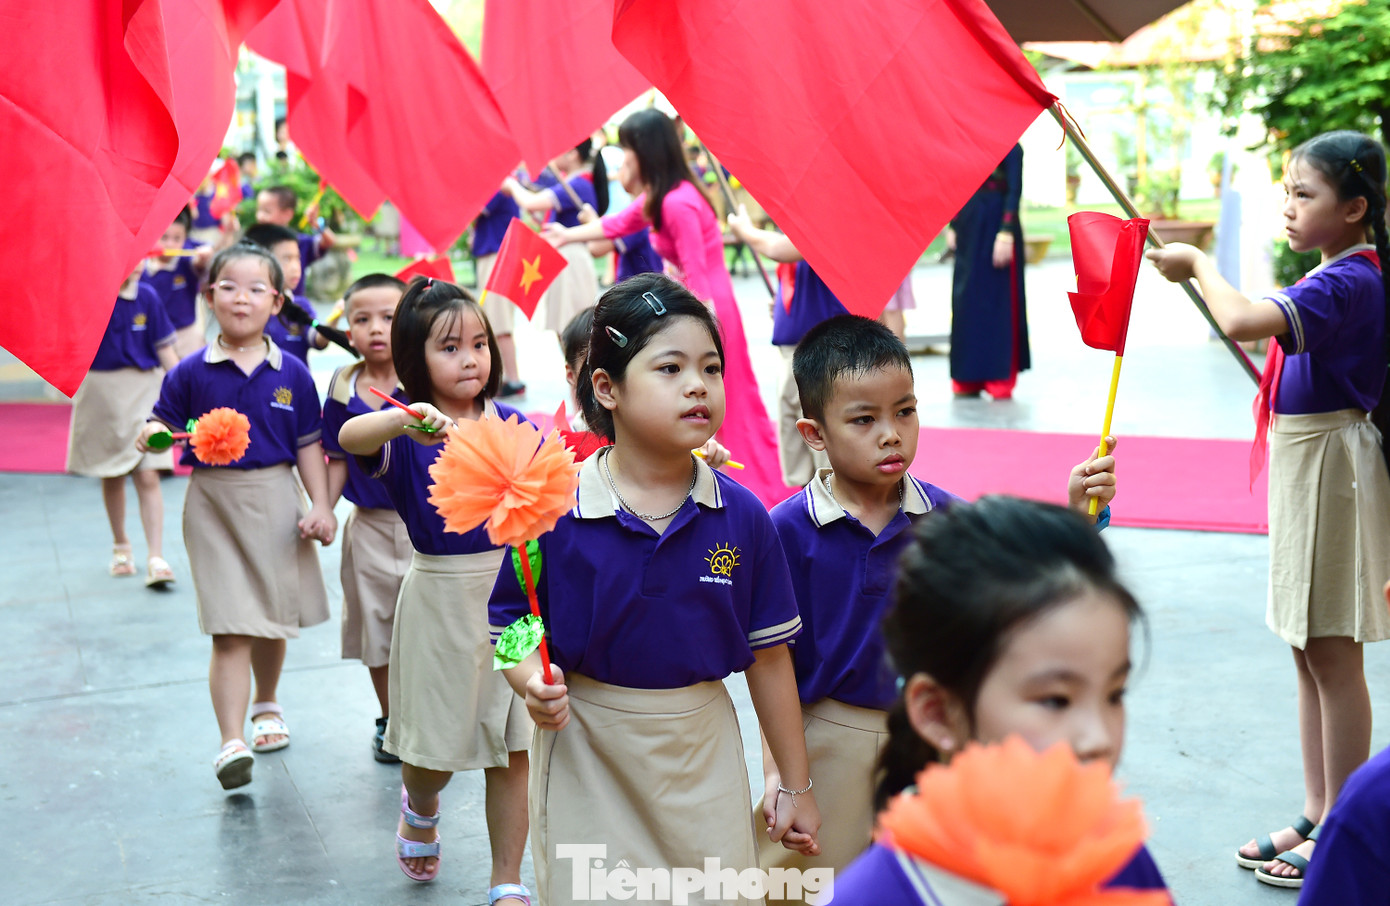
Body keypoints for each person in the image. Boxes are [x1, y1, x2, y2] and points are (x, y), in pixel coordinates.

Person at [489, 274, 820, 906]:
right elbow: (511, 625)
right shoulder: (550, 507)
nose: (698, 385)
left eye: (711, 368)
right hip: (586, 750)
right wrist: (530, 682)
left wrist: (795, 787)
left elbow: (772, 660)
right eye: (670, 367)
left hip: (703, 752)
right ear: (606, 388)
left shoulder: (744, 515)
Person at [759, 317, 1116, 896]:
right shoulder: (784, 531)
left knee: (930, 886)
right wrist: (785, 776)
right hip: (824, 742)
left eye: (905, 411)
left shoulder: (950, 522)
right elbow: (772, 665)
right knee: (811, 887)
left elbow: (1018, 595)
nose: (891, 434)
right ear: (814, 433)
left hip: (933, 740)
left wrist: (1078, 516)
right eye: (863, 419)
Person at [1146, 130, 1390, 890]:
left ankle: (1345, 820)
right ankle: (1321, 810)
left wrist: (1198, 265)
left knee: (1331, 646)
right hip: (1306, 460)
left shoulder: (1351, 281)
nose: (1288, 206)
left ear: (1354, 209)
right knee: (1304, 643)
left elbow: (1247, 321)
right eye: (1286, 191)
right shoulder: (1332, 274)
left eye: (1304, 194)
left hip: (1333, 469)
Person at [828, 497, 1169, 904]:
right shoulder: (874, 896)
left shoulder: (1118, 855)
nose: (1099, 738)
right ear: (937, 712)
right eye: (1056, 701)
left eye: (1115, 695)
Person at [337, 278, 530, 898]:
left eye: (479, 343)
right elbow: (348, 439)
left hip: (517, 595)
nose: (471, 357)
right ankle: (420, 803)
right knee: (434, 751)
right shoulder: (406, 431)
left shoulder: (513, 421)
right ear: (413, 359)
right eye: (450, 348)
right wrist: (399, 421)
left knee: (515, 745)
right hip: (442, 598)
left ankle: (507, 879)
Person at [136, 243, 335, 790]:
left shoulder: (291, 371)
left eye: (255, 289)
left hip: (276, 499)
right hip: (212, 504)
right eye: (228, 286)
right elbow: (160, 423)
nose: (240, 298)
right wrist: (150, 435)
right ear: (208, 296)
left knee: (273, 614)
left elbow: (308, 446)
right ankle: (230, 742)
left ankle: (266, 704)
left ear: (277, 301)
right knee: (229, 626)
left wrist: (319, 505)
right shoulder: (190, 371)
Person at [543, 109, 788, 505]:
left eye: (627, 151)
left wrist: (702, 336)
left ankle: (754, 496)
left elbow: (696, 272)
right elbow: (616, 225)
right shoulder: (661, 198)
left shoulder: (677, 203)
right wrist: (568, 233)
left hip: (705, 315)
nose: (623, 160)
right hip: (692, 315)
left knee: (728, 405)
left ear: (645, 151)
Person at [321, 274, 412, 763]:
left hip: (427, 527)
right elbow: (335, 455)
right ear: (348, 329)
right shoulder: (342, 385)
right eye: (362, 319)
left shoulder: (425, 379)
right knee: (376, 627)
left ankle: (431, 714)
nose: (376, 329)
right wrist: (323, 509)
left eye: (389, 317)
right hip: (369, 526)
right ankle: (390, 716)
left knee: (431, 625)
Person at [68, 267, 180, 586]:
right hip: (101, 394)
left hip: (144, 390)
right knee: (112, 472)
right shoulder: (88, 295)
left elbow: (165, 350)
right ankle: (121, 546)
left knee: (148, 474)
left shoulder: (147, 296)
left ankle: (156, 556)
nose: (137, 262)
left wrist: (188, 390)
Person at [726, 207, 849, 486]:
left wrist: (745, 230)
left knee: (818, 426)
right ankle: (805, 497)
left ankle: (829, 497)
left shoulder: (829, 215)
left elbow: (779, 248)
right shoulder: (805, 219)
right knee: (795, 425)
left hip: (821, 346)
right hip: (795, 345)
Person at [949, 144, 1029, 400]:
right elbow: (956, 181)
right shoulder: (966, 139)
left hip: (997, 224)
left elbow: (1014, 191)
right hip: (968, 224)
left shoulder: (1012, 147)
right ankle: (967, 376)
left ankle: (998, 377)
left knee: (998, 300)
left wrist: (1006, 232)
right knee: (965, 300)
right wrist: (952, 223)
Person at [502, 142, 607, 336]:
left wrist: (511, 184)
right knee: (568, 332)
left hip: (571, 260)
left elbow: (531, 203)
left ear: (573, 154)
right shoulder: (575, 182)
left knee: (573, 332)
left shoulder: (578, 184)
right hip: (566, 259)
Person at [242, 223, 330, 364]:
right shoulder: (245, 306)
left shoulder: (300, 305)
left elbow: (317, 340)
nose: (296, 267)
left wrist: (333, 321)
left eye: (298, 258)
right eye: (287, 259)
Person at [472, 188, 526, 397]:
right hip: (498, 255)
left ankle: (512, 379)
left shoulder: (499, 186)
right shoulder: (502, 185)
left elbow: (473, 209)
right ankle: (507, 378)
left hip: (498, 256)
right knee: (496, 319)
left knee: (498, 320)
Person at [142, 207, 212, 358]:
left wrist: (204, 258)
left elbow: (200, 265)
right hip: (153, 337)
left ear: (185, 239)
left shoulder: (187, 263)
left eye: (177, 239)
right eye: (164, 237)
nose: (170, 244)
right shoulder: (141, 268)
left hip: (186, 335)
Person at [255, 185, 337, 294]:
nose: (260, 216)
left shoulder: (299, 242)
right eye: (259, 210)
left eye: (267, 211)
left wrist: (316, 223)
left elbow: (329, 241)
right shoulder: (254, 242)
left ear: (287, 214)